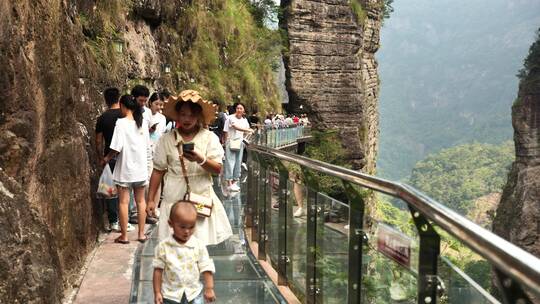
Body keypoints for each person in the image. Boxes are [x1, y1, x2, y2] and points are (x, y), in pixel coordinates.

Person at [146, 89, 232, 244]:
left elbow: (218, 169)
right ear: (177, 115)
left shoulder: (209, 138)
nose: (187, 119)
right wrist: (151, 200)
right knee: (173, 246)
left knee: (199, 245)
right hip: (173, 198)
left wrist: (201, 159)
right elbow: (158, 170)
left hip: (200, 198)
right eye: (183, 114)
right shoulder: (166, 140)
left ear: (198, 116)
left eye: (192, 114)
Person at [102, 94, 150, 244]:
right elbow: (148, 147)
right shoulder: (142, 122)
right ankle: (141, 234)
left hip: (125, 170)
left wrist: (106, 158)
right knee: (141, 201)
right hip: (141, 169)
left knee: (123, 202)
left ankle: (124, 236)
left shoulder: (121, 123)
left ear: (122, 106)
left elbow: (116, 147)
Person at [152, 202, 216, 304]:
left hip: (194, 294)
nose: (187, 231)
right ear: (170, 224)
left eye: (191, 227)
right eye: (182, 227)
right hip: (170, 295)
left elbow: (206, 267)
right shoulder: (163, 247)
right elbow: (158, 270)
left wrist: (209, 288)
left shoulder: (198, 246)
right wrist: (157, 292)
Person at [95, 87, 132, 232]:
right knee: (126, 189)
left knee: (110, 189)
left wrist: (101, 158)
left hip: (108, 158)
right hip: (125, 157)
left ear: (105, 99)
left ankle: (113, 221)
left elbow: (98, 141)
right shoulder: (126, 115)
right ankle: (126, 220)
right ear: (119, 98)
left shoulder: (102, 118)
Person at [223, 103, 253, 192]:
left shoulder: (244, 120)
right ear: (235, 109)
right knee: (230, 162)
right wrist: (225, 142)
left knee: (238, 162)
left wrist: (248, 135)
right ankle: (229, 183)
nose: (239, 110)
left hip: (240, 143)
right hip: (231, 142)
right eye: (238, 108)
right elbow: (232, 128)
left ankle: (235, 181)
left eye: (241, 108)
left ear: (244, 110)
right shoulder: (230, 118)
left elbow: (247, 132)